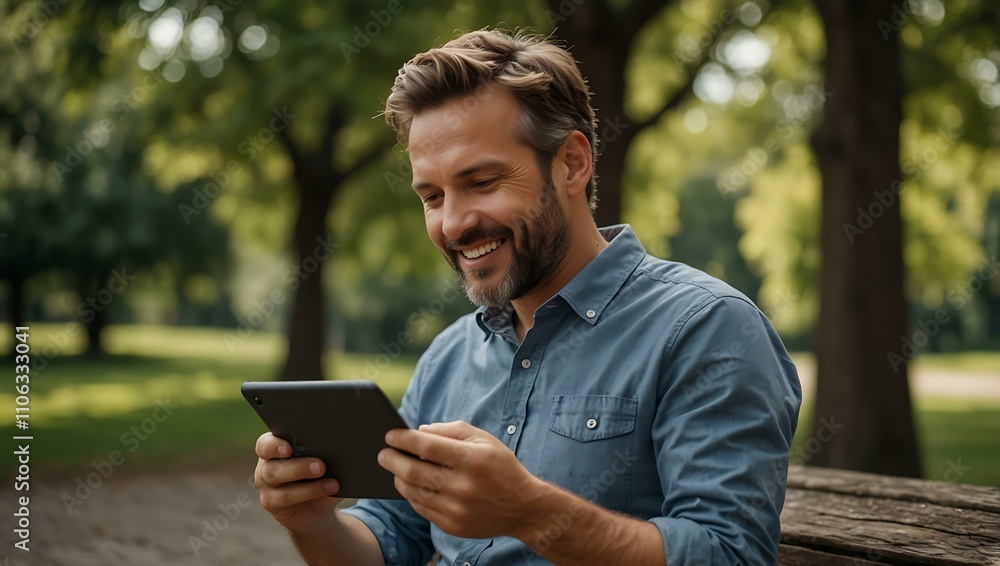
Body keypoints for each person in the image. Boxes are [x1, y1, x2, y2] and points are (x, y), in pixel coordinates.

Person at [254, 28, 801, 565]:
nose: (454, 223)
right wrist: (314, 524)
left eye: (482, 182)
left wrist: (531, 513)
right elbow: (391, 538)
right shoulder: (448, 357)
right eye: (433, 196)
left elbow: (731, 552)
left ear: (572, 164)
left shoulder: (707, 328)